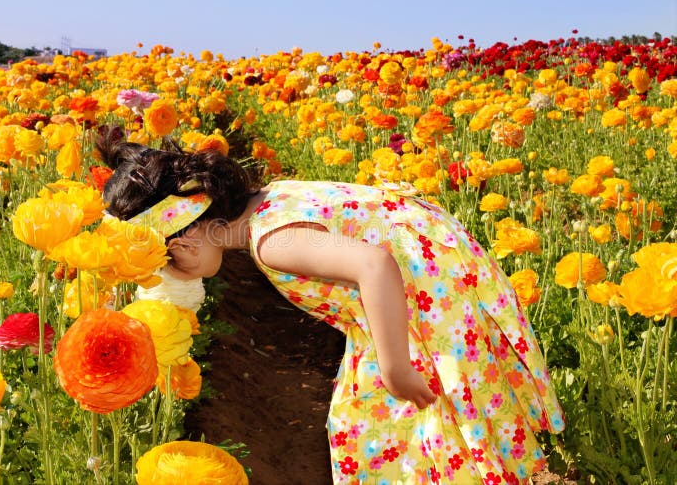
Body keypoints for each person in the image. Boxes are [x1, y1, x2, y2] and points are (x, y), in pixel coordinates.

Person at [96, 128, 565, 484]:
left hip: (425, 304)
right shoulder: (266, 201)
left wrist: (396, 367)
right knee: (369, 420)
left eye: (164, 259)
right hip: (415, 293)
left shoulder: (270, 241)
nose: (167, 273)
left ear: (191, 229)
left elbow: (375, 265)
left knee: (389, 418)